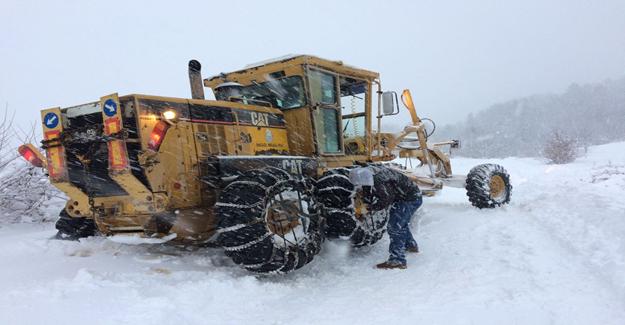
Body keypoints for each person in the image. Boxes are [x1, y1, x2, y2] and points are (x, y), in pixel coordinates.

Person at [349, 166, 423, 270]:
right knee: (401, 223)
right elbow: (367, 190)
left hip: (411, 199)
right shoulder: (370, 176)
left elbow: (385, 201)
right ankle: (410, 245)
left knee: (395, 227)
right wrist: (365, 203)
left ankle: (397, 260)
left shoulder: (380, 181)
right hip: (403, 197)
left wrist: (369, 208)